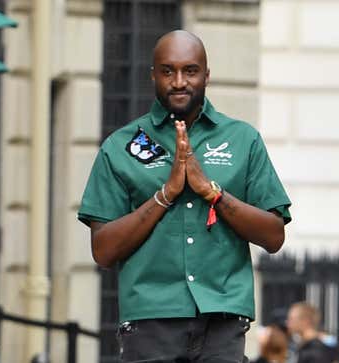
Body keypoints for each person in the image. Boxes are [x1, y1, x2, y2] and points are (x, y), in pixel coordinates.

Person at [79, 30, 292, 362]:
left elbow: (274, 236)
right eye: (168, 71)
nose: (179, 81)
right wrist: (166, 193)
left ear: (206, 75)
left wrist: (212, 192)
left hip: (222, 321)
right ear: (153, 75)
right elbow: (103, 250)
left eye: (190, 71)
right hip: (150, 321)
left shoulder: (243, 140)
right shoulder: (120, 146)